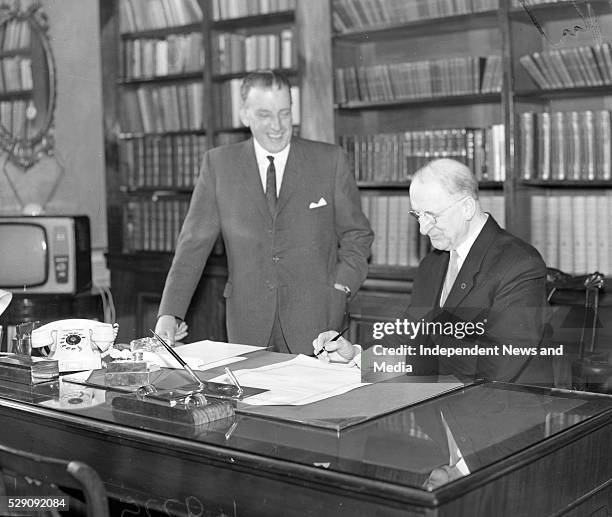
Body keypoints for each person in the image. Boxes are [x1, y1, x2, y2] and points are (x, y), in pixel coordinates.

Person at [156, 70, 373, 354]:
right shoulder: (219, 165)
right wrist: (169, 313)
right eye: (264, 115)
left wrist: (341, 286)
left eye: (284, 113)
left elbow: (358, 235)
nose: (277, 126)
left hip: (318, 320)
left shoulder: (329, 161)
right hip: (247, 322)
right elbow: (192, 246)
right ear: (244, 114)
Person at [314, 158, 552, 384]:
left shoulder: (519, 265)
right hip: (439, 407)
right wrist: (356, 355)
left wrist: (412, 362)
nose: (423, 229)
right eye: (418, 215)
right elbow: (409, 335)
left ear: (467, 207)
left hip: (502, 413)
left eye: (431, 216)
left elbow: (497, 364)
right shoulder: (433, 264)